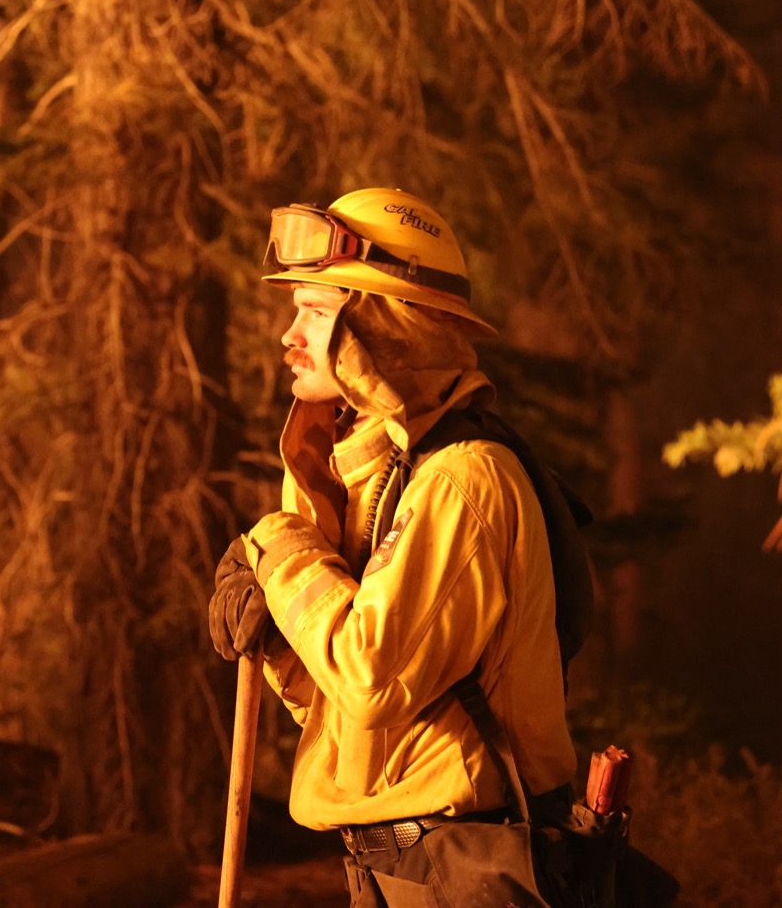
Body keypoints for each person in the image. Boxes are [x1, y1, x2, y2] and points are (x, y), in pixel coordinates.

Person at [209, 187, 577, 908]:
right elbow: (345, 707)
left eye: (315, 313)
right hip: (397, 869)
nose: (290, 337)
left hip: (466, 869)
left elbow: (373, 680)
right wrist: (280, 636)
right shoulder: (381, 486)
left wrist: (278, 548)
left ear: (381, 326)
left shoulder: (463, 481)